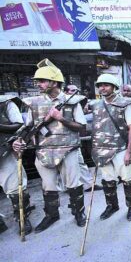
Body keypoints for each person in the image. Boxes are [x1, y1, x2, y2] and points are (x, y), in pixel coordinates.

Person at [12, 59, 87, 233]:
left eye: (42, 81)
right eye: (38, 81)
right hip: (44, 151)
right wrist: (18, 140)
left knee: (73, 184)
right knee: (48, 186)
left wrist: (61, 118)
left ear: (54, 82)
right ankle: (52, 215)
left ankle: (78, 212)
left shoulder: (72, 101)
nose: (38, 84)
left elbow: (81, 127)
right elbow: (28, 127)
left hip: (68, 150)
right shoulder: (34, 102)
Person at [86, 74, 131, 222]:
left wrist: (129, 151)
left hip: (120, 149)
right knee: (108, 181)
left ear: (114, 87)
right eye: (100, 85)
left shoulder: (125, 103)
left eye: (106, 85)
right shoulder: (95, 105)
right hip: (101, 149)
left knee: (128, 180)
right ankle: (112, 206)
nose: (102, 88)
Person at [0, 96, 33, 235]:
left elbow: (19, 124)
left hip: (3, 150)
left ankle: (22, 217)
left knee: (14, 186)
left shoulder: (5, 103)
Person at [64, 84, 102, 192]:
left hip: (74, 139)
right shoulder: (61, 105)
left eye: (77, 90)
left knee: (80, 162)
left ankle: (89, 184)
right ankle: (69, 186)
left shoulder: (77, 103)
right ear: (66, 92)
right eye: (72, 91)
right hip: (61, 141)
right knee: (65, 166)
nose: (75, 93)